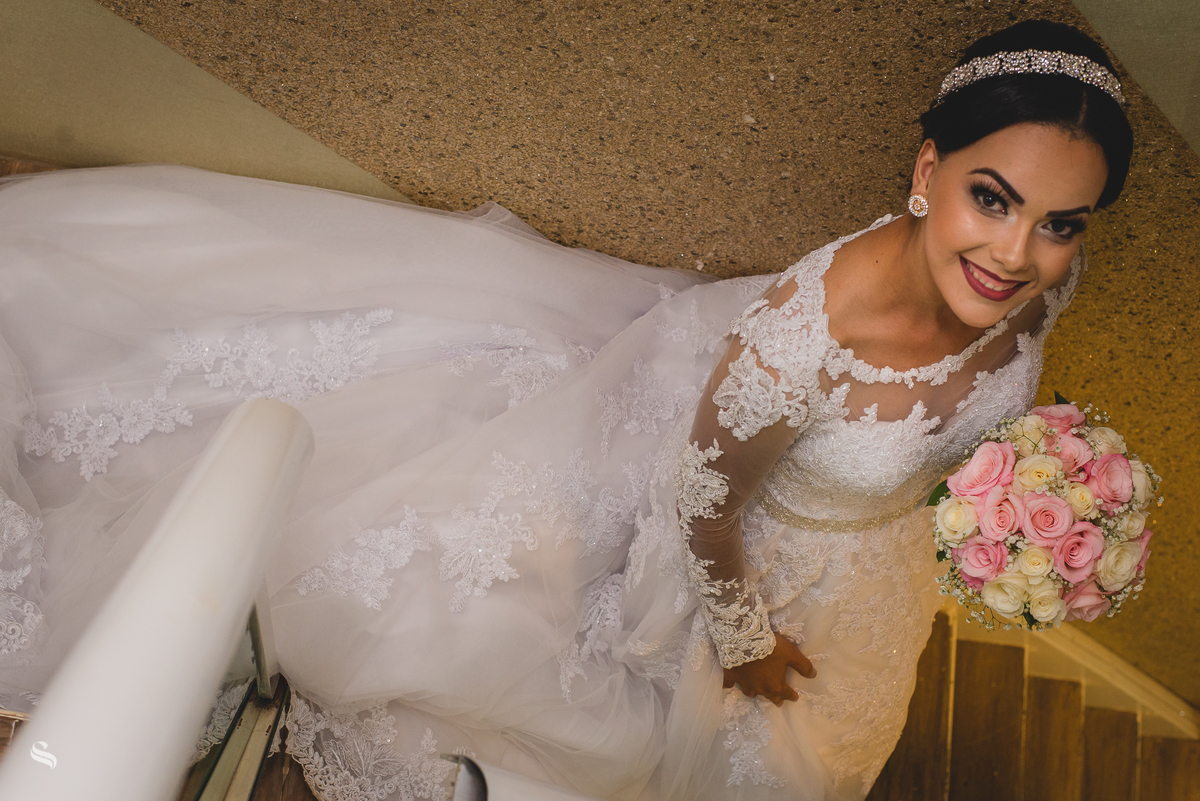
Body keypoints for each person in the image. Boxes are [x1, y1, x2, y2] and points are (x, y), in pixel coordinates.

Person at [0, 18, 1131, 801]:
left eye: (1060, 223)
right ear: (929, 169)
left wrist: (1029, 476)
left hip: (876, 569)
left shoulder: (1039, 283)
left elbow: (997, 360)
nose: (1017, 254)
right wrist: (740, 645)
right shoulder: (808, 339)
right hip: (747, 556)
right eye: (992, 199)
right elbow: (698, 498)